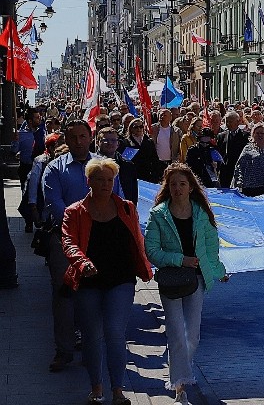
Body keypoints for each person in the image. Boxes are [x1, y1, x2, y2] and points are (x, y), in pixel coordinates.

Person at [62, 158, 152, 405]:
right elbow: (69, 243)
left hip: (121, 278)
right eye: (99, 179)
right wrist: (83, 263)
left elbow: (137, 239)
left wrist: (147, 263)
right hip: (88, 279)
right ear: (88, 181)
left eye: (109, 180)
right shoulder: (74, 212)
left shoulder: (126, 208)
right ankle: (96, 387)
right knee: (91, 335)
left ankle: (118, 391)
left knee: (114, 332)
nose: (105, 184)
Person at [42, 120, 124, 373]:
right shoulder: (54, 170)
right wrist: (80, 225)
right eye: (73, 137)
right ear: (66, 139)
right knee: (64, 296)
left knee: (95, 297)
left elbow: (116, 200)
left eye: (82, 136)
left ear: (91, 138)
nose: (78, 142)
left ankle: (93, 349)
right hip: (65, 242)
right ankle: (64, 350)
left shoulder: (103, 167)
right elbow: (54, 205)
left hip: (99, 242)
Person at [144, 164, 228, 405]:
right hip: (172, 280)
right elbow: (151, 251)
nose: (178, 189)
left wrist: (218, 271)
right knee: (176, 333)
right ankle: (180, 385)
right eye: (173, 184)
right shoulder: (158, 214)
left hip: (197, 278)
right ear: (167, 188)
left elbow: (211, 248)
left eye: (182, 184)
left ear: (191, 187)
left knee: (192, 334)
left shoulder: (201, 213)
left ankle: (182, 371)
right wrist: (180, 259)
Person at [96, 127, 139, 204]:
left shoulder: (128, 165)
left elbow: (133, 194)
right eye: (105, 140)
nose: (109, 143)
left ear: (118, 143)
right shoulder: (90, 165)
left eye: (113, 140)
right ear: (97, 142)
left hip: (122, 210)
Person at [216, 111, 249, 189]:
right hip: (225, 172)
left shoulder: (245, 136)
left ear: (238, 122)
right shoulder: (221, 136)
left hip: (240, 171)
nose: (228, 124)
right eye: (226, 121)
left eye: (230, 121)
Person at [125, 117, 160, 183]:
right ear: (131, 129)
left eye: (141, 126)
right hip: (133, 176)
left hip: (148, 176)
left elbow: (155, 159)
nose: (139, 129)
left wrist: (155, 175)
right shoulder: (126, 142)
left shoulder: (149, 141)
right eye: (136, 127)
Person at [152, 109, 180, 180]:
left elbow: (180, 146)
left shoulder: (176, 131)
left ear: (170, 118)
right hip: (157, 162)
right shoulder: (153, 129)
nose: (162, 117)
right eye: (161, 115)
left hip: (171, 161)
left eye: (165, 115)